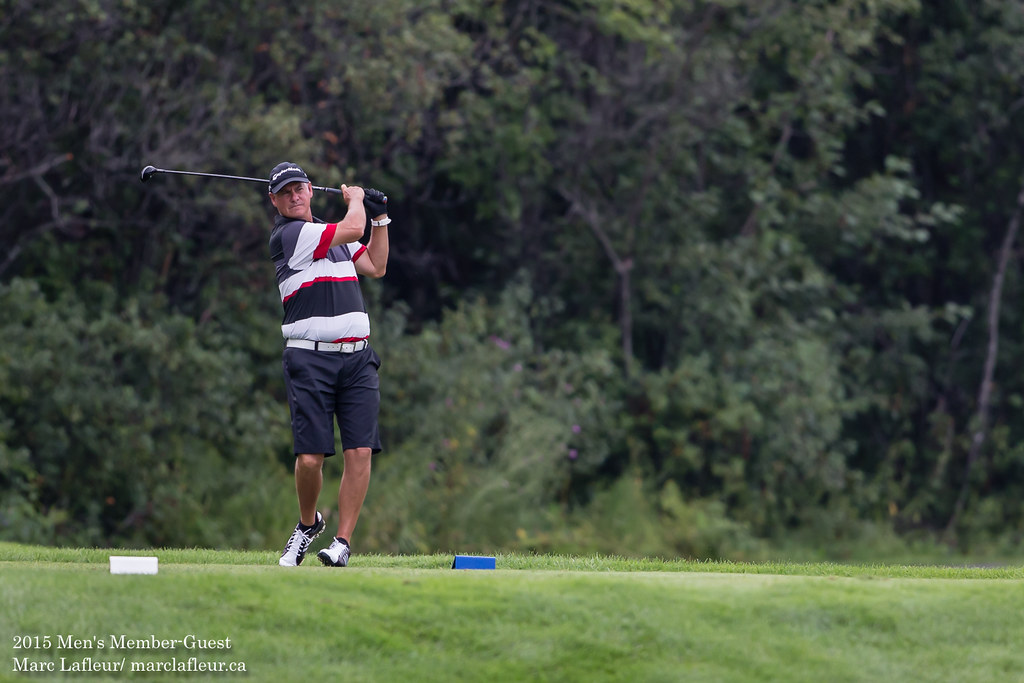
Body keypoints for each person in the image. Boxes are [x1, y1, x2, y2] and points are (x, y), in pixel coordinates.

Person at [266, 161, 391, 568]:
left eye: (299, 188)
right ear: (275, 201)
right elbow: (353, 228)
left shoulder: (328, 235)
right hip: (309, 358)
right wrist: (356, 202)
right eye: (286, 193)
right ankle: (307, 525)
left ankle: (341, 542)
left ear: (310, 190)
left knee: (360, 452)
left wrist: (381, 218)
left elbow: (375, 265)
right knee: (309, 458)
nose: (295, 196)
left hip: (356, 359)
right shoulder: (290, 235)